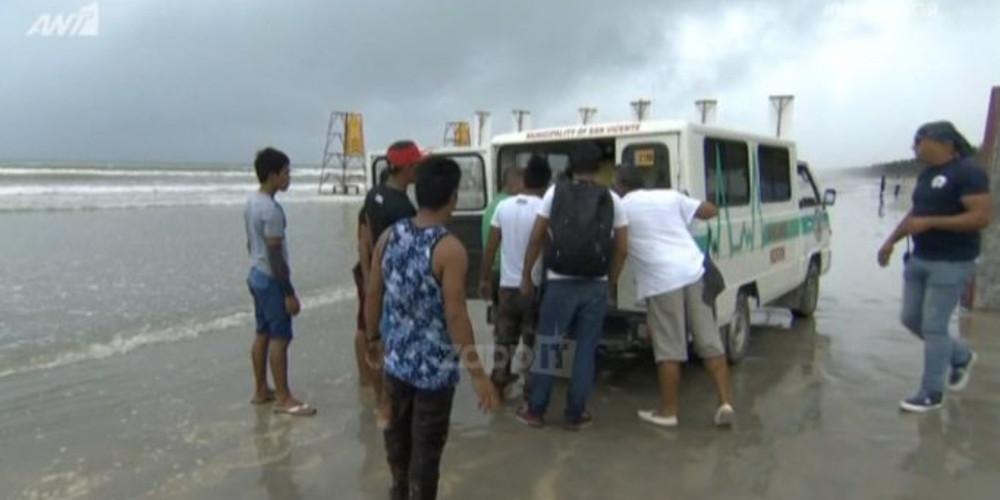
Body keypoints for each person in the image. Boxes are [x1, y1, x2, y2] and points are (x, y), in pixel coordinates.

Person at [365, 155, 499, 500]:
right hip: (434, 375)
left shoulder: (389, 237)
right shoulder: (450, 250)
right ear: (453, 197)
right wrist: (478, 375)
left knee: (397, 448)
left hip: (396, 365)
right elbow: (456, 316)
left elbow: (373, 293)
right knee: (425, 457)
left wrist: (373, 340)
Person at [877, 121, 992, 413]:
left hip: (951, 262)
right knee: (910, 318)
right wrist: (890, 241)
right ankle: (961, 356)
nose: (914, 146)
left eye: (920, 140)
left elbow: (980, 217)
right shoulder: (927, 174)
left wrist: (931, 223)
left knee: (934, 325)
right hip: (920, 258)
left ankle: (931, 392)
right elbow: (915, 214)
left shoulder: (968, 172)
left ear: (944, 142)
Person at [516, 142, 629, 431]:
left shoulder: (554, 193)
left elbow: (537, 237)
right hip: (595, 285)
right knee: (585, 350)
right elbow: (622, 247)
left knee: (548, 346)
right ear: (598, 169)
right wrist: (611, 282)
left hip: (559, 283)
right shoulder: (611, 199)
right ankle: (575, 414)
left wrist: (526, 274)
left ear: (570, 166)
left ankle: (536, 411)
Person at [614, 166, 734, 427]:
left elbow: (619, 247)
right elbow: (710, 211)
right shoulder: (669, 196)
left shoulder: (621, 207)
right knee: (709, 341)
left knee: (670, 349)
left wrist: (611, 280)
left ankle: (668, 412)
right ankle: (725, 403)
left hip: (661, 281)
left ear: (620, 186)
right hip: (693, 271)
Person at [245, 147, 315, 416]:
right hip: (270, 277)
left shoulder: (252, 201)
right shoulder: (271, 210)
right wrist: (288, 293)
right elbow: (275, 254)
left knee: (262, 332)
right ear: (272, 175)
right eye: (286, 172)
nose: (289, 177)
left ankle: (261, 389)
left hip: (255, 272)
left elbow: (250, 242)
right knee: (280, 337)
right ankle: (284, 398)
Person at [360, 140, 425, 426]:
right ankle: (390, 403)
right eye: (417, 164)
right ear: (407, 167)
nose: (419, 170)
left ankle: (378, 396)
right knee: (397, 344)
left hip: (376, 275)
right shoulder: (403, 207)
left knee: (371, 335)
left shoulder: (374, 194)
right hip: (395, 281)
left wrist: (367, 274)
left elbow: (364, 235)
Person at [478, 155, 551, 400]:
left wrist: (484, 279)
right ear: (545, 183)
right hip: (533, 286)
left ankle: (497, 388)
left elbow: (490, 247)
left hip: (506, 287)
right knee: (532, 340)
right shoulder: (544, 209)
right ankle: (530, 393)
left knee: (503, 339)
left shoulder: (503, 206)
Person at [353, 169, 392, 388]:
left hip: (374, 269)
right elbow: (363, 244)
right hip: (369, 270)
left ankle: (372, 374)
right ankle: (365, 375)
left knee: (371, 322)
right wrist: (368, 277)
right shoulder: (370, 210)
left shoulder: (378, 207)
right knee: (365, 324)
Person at [481, 164, 525, 311]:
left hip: (494, 269)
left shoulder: (495, 203)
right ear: (515, 182)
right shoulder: (509, 205)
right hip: (505, 271)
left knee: (502, 316)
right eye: (525, 183)